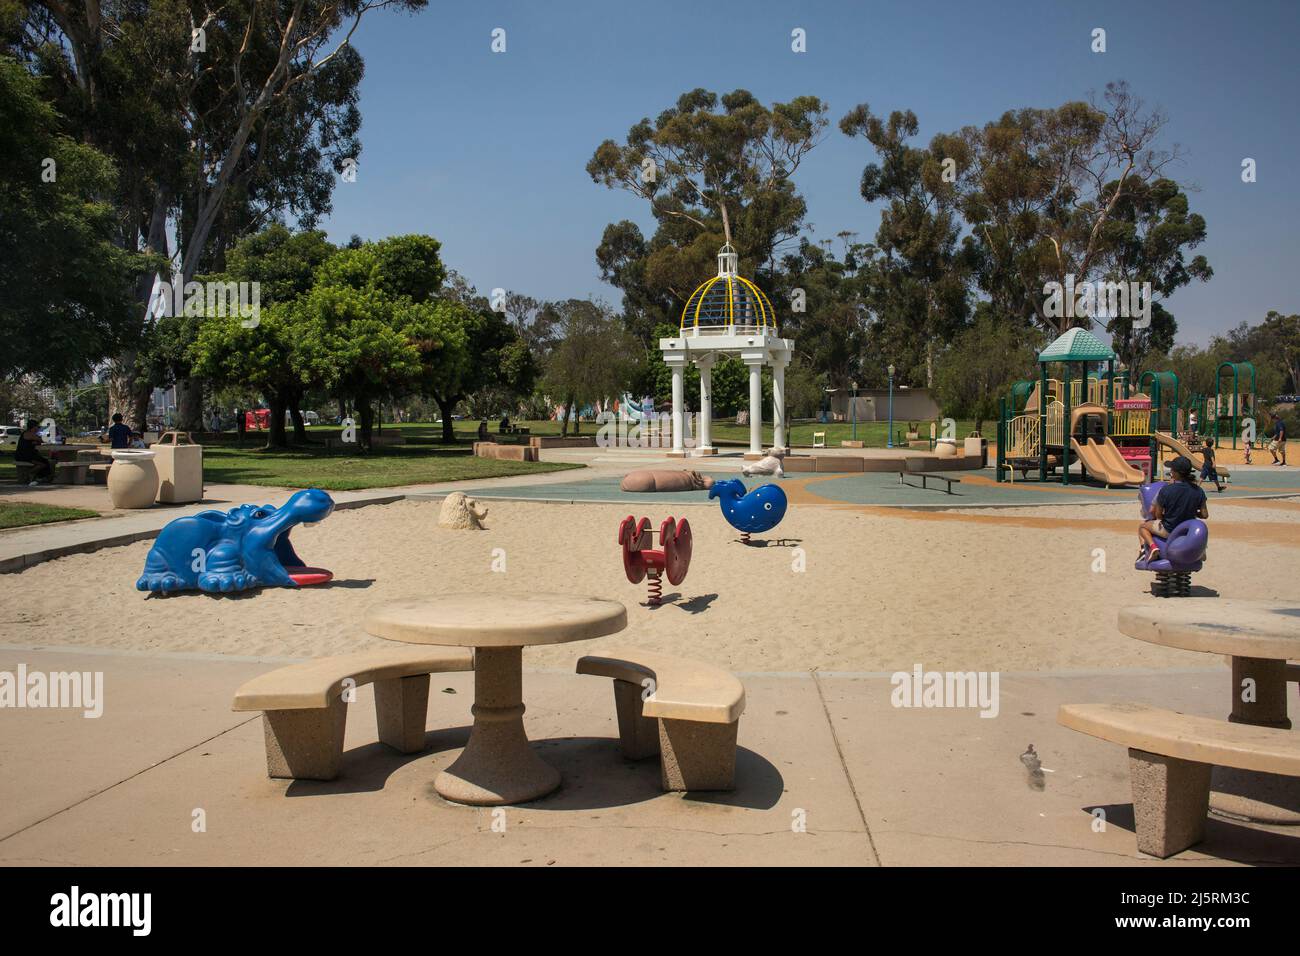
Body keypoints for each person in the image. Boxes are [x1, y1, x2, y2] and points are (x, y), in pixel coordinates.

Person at [1139, 456, 1208, 561]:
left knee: (1143, 527)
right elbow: (1204, 515)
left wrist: (1168, 516)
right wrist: (1192, 511)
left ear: (1176, 473)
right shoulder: (1199, 491)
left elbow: (1158, 514)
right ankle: (1201, 551)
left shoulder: (1166, 490)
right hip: (1187, 530)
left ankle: (1153, 547)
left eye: (1172, 470)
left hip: (1169, 529)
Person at [15, 420, 54, 485]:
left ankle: (42, 477)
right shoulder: (29, 433)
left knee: (45, 461)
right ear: (33, 427)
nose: (38, 428)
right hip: (23, 455)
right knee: (42, 464)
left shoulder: (30, 434)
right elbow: (42, 440)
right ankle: (30, 473)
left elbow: (37, 441)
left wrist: (37, 441)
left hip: (28, 454)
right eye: (37, 427)